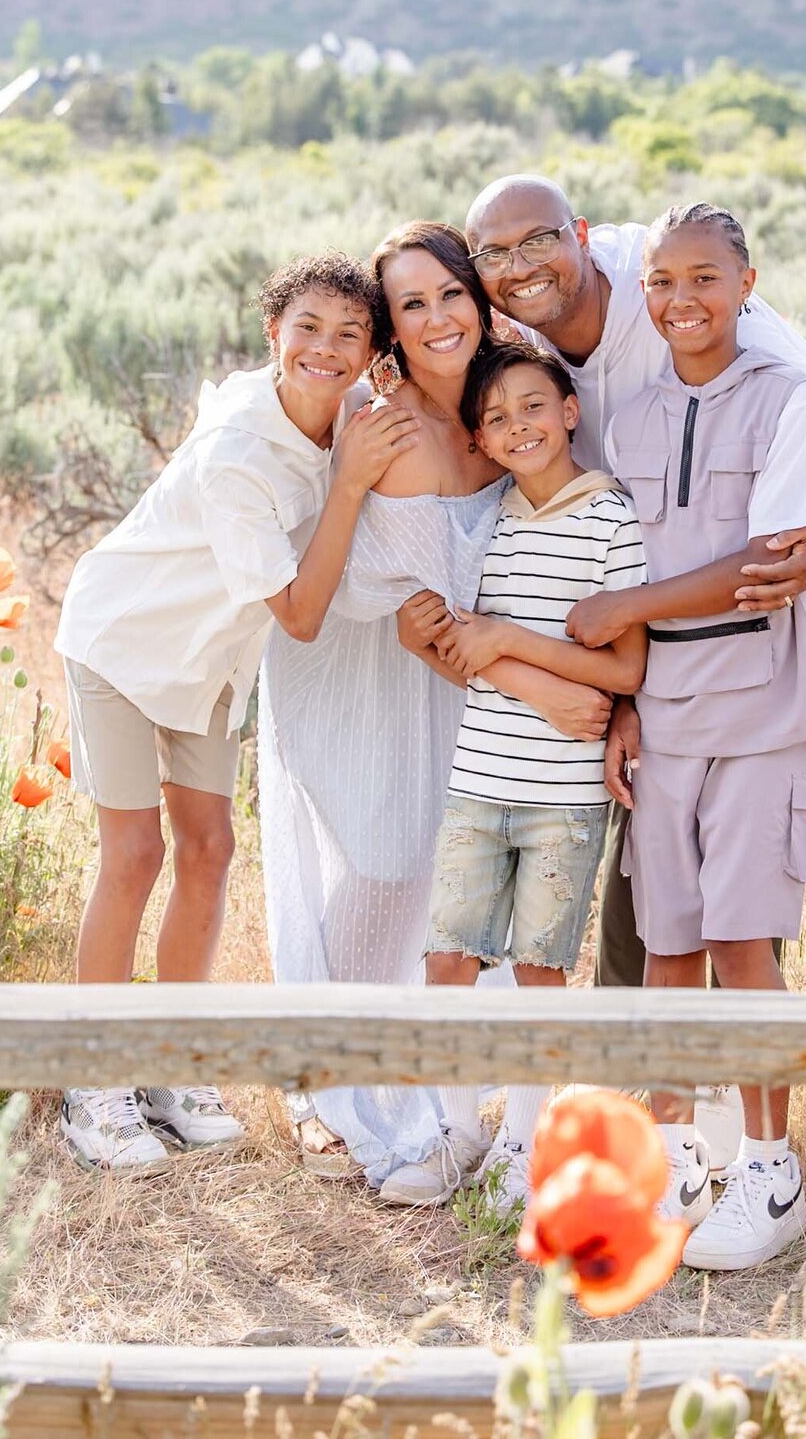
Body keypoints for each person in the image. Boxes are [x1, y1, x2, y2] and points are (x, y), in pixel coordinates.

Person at [463, 176, 806, 1006]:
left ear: (583, 236)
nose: (521, 265)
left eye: (540, 241)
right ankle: (648, 1065)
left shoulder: (676, 275)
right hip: (670, 566)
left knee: (743, 783)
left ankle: (728, 1041)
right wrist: (632, 680)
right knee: (649, 777)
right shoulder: (516, 329)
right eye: (496, 253)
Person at [257, 225, 613, 1196]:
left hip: (460, 669)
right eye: (410, 306)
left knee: (450, 899)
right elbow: (429, 622)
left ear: (479, 298)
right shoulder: (391, 425)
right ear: (392, 328)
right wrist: (546, 690)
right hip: (360, 660)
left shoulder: (509, 406)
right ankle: (330, 1081)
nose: (435, 318)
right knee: (375, 869)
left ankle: (464, 1110)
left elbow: (499, 595)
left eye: (448, 294)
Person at [54, 253, 416, 1172]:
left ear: (374, 353)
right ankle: (91, 1081)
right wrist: (347, 486)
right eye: (307, 330)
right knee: (134, 854)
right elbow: (297, 615)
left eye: (349, 334)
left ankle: (177, 1062)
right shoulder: (239, 457)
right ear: (273, 335)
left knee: (210, 852)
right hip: (126, 648)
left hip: (207, 669)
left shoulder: (351, 419)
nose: (325, 350)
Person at [567, 203, 806, 1270]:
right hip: (667, 710)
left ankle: (769, 1174)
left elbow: (769, 560)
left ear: (747, 284)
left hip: (761, 703)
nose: (683, 300)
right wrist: (627, 698)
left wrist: (629, 609)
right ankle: (674, 1156)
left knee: (740, 940)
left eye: (706, 280)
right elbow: (622, 565)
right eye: (663, 282)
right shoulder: (630, 420)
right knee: (670, 941)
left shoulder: (792, 404)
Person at [381, 341, 648, 1210]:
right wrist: (500, 657)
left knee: (540, 971)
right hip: (478, 780)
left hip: (564, 799)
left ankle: (524, 1143)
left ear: (570, 413)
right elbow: (443, 635)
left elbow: (625, 670)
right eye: (495, 418)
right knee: (447, 959)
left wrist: (505, 641)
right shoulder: (491, 522)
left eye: (533, 406)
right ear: (483, 443)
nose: (516, 426)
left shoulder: (613, 518)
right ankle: (456, 1131)